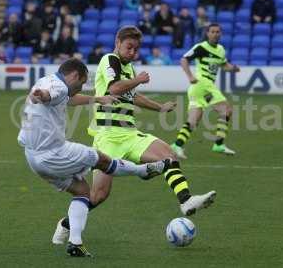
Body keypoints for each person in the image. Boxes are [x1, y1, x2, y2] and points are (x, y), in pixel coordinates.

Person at [18, 58, 168, 257]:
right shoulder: (57, 88)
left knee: (82, 191)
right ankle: (142, 171)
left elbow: (67, 98)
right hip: (53, 153)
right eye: (81, 83)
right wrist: (42, 96)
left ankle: (75, 243)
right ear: (74, 76)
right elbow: (51, 95)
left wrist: (97, 99)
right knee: (101, 159)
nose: (81, 87)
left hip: (33, 158)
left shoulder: (46, 81)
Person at [87, 26, 216, 216]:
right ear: (117, 43)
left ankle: (186, 201)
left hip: (129, 134)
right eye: (129, 47)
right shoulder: (109, 60)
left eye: (136, 49)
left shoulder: (129, 67)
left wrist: (160, 107)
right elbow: (114, 88)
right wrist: (138, 80)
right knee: (99, 195)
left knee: (170, 155)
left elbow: (132, 96)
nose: (133, 53)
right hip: (108, 137)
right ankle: (67, 224)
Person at [171, 23, 240, 159]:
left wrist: (233, 68)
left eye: (218, 32)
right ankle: (219, 144)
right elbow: (184, 59)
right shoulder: (201, 47)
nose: (215, 34)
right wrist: (190, 76)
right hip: (203, 84)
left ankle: (177, 145)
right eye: (212, 32)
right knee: (226, 110)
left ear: (221, 34)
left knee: (194, 120)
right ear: (207, 33)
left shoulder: (221, 49)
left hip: (199, 89)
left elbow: (224, 65)